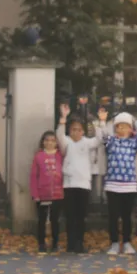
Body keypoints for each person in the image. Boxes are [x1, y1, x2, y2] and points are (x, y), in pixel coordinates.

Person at [97, 110, 137, 255]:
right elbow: (102, 137)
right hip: (113, 184)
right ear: (115, 128)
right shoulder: (112, 141)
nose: (122, 129)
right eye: (119, 126)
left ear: (131, 128)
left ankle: (126, 242)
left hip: (129, 185)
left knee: (127, 216)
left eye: (126, 126)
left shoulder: (133, 143)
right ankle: (114, 242)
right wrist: (102, 122)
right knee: (113, 216)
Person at [57, 105, 99, 253]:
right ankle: (70, 243)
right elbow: (59, 137)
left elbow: (98, 140)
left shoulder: (87, 142)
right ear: (70, 130)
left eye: (79, 129)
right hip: (69, 183)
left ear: (83, 131)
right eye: (73, 129)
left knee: (81, 216)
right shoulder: (67, 141)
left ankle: (79, 243)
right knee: (70, 216)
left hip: (83, 184)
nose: (76, 132)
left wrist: (98, 122)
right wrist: (63, 119)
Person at [29, 130, 64, 252]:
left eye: (52, 140)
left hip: (58, 194)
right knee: (42, 220)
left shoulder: (60, 156)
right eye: (47, 140)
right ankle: (41, 244)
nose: (49, 143)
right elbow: (34, 176)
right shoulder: (39, 157)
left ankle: (55, 243)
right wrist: (35, 194)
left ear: (56, 143)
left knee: (55, 220)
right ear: (43, 142)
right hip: (42, 194)